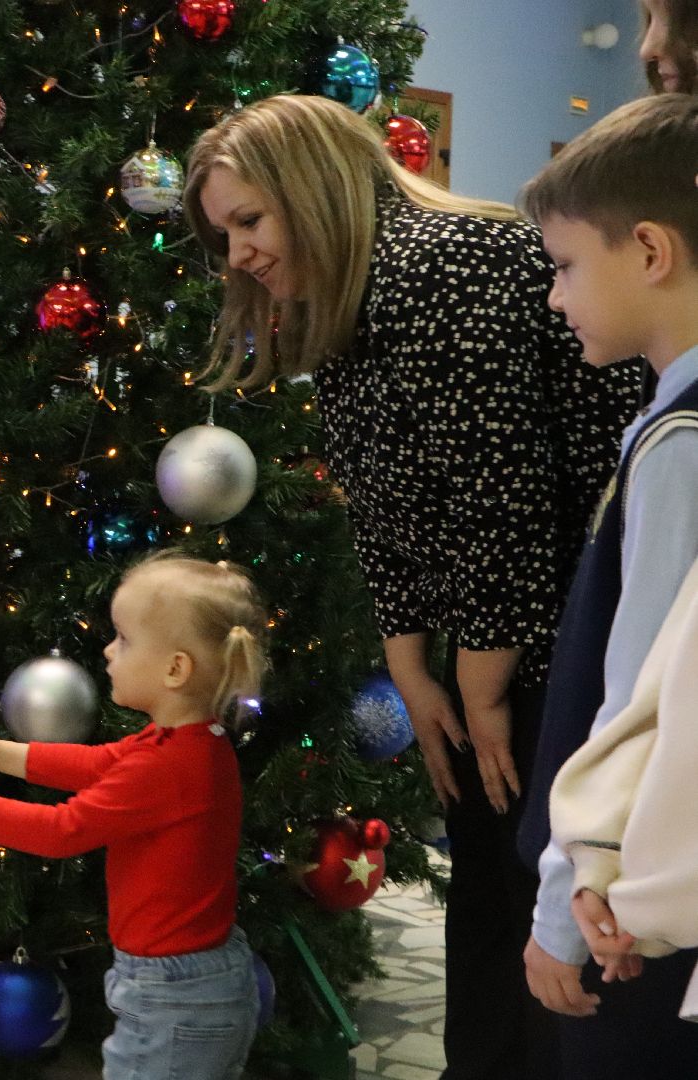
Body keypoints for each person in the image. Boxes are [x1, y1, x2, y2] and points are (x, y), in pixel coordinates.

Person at [181, 94, 641, 1080]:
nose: (239, 255)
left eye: (250, 220)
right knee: (492, 901)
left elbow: (503, 495)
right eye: (226, 235)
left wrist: (476, 684)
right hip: (514, 635)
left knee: (543, 910)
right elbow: (387, 499)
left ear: (313, 186)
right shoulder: (352, 295)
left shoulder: (441, 262)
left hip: (573, 641)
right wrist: (408, 659)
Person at [0, 552, 266, 1080]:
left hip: (173, 994)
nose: (107, 650)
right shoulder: (186, 742)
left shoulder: (169, 763)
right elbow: (101, 763)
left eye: (123, 639)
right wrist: (1, 756)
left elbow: (63, 830)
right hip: (197, 978)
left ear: (175, 668)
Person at [512, 93, 698, 1077]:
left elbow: (640, 705)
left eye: (568, 266)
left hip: (631, 908)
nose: (555, 295)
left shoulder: (683, 442)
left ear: (651, 252)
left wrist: (562, 911)